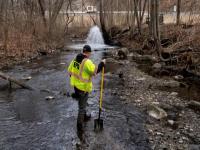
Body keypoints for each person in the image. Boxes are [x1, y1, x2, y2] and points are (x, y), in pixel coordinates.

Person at [67, 45, 105, 131]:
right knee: (82, 107)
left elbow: (69, 71)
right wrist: (101, 64)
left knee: (81, 103)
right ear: (88, 53)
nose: (90, 54)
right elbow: (95, 72)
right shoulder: (87, 62)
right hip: (83, 88)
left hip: (76, 87)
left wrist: (76, 80)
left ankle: (84, 117)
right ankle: (79, 127)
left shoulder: (74, 60)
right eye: (90, 53)